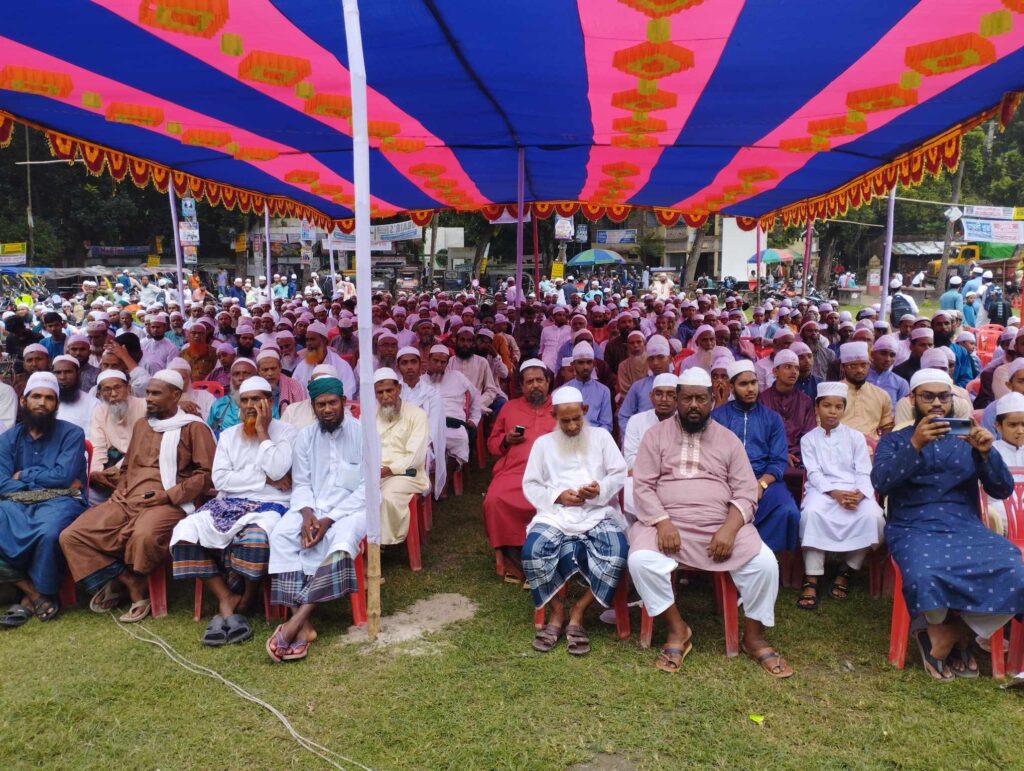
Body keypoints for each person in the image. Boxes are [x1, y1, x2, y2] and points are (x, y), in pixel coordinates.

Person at [628, 368, 793, 678]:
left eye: (700, 399)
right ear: (676, 399)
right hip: (667, 525)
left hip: (719, 525)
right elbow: (643, 486)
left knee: (765, 564)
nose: (693, 405)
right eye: (687, 398)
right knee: (640, 561)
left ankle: (754, 637)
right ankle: (678, 630)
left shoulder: (728, 440)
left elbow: (746, 491)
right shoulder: (656, 435)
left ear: (712, 402)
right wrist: (662, 523)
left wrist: (730, 529)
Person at [872, 367, 1024, 679]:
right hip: (912, 525)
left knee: (1015, 568)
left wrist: (986, 454)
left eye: (944, 396)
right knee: (925, 570)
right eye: (928, 397)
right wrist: (914, 445)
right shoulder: (895, 441)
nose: (938, 403)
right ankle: (950, 637)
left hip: (964, 525)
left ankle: (947, 635)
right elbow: (882, 483)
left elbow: (1002, 489)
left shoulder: (968, 439)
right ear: (913, 399)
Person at [60, 370, 216, 622]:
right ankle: (129, 581)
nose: (149, 399)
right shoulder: (143, 424)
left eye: (156, 393)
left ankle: (134, 586)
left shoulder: (194, 429)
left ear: (176, 395)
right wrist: (120, 488)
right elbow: (128, 464)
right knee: (73, 534)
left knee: (143, 536)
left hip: (169, 501)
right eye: (148, 393)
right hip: (128, 497)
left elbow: (205, 474)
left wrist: (167, 496)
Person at [170, 376, 296, 646]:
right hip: (230, 501)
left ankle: (248, 598)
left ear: (269, 402)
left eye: (256, 400)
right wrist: (264, 479)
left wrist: (263, 432)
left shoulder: (286, 432)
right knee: (184, 532)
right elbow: (221, 480)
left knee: (256, 539)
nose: (250, 405)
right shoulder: (227, 436)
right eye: (245, 400)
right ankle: (225, 595)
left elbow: (278, 470)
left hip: (270, 505)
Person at [521, 386, 628, 654]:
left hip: (597, 512)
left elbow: (618, 473)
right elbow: (531, 484)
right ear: (554, 415)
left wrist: (598, 491)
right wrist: (558, 496)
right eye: (564, 420)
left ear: (585, 412)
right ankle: (557, 612)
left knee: (617, 552)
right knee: (532, 551)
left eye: (576, 419)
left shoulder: (602, 437)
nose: (571, 426)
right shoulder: (542, 444)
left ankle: (579, 612)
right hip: (555, 514)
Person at [0, 373, 88, 628]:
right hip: (15, 501)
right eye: (36, 396)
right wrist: (40, 481)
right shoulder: (8, 438)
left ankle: (37, 594)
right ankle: (35, 593)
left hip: (62, 501)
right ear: (24, 401)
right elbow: (1, 482)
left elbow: (63, 477)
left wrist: (24, 474)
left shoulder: (72, 433)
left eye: (49, 398)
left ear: (56, 405)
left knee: (50, 532)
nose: (42, 403)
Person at [795, 382, 885, 610]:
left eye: (838, 406)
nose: (832, 411)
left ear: (844, 409)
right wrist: (834, 493)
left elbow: (864, 471)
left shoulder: (856, 438)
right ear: (817, 408)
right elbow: (813, 473)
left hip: (855, 489)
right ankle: (812, 577)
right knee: (812, 515)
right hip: (823, 491)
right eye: (827, 405)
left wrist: (860, 495)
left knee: (874, 518)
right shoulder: (808, 439)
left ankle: (847, 569)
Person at [713, 361, 801, 553]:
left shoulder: (772, 418)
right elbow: (710, 457)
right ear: (732, 387)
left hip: (764, 480)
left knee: (788, 512)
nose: (750, 389)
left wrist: (760, 484)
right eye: (743, 384)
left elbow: (778, 460)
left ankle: (762, 554)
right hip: (725, 481)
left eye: (753, 383)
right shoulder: (717, 417)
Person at [482, 359, 556, 580]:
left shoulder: (560, 406)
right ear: (522, 386)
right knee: (494, 499)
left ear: (548, 382)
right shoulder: (509, 407)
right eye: (529, 382)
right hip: (515, 471)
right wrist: (506, 439)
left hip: (552, 473)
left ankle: (545, 554)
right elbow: (492, 444)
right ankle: (511, 559)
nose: (535, 385)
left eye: (539, 380)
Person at [373, 369, 430, 546]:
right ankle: (364, 543)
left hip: (408, 474)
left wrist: (388, 470)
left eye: (389, 390)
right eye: (380, 392)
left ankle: (380, 544)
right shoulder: (369, 416)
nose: (385, 396)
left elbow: (416, 457)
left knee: (386, 496)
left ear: (398, 389)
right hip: (375, 473)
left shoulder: (417, 415)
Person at [621, 373, 679, 518]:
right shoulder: (636, 421)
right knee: (626, 488)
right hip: (643, 478)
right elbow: (629, 460)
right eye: (659, 394)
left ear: (678, 398)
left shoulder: (684, 422)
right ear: (650, 396)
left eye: (670, 394)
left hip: (674, 478)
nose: (664, 399)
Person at [87, 370, 148, 500]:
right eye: (107, 389)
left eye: (118, 387)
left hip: (144, 465)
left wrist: (118, 469)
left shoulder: (145, 406)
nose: (113, 394)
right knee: (90, 496)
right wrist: (96, 472)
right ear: (100, 394)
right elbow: (98, 446)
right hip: (114, 468)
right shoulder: (100, 411)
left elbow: (145, 447)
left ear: (128, 388)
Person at [396, 346, 447, 497]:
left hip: (422, 445)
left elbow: (433, 428)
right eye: (404, 363)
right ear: (398, 367)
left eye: (413, 362)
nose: (410, 367)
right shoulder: (391, 391)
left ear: (420, 364)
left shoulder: (432, 394)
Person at [424, 344, 480, 471]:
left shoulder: (457, 377)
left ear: (447, 363)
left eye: (443, 362)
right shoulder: (421, 381)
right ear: (428, 359)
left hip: (454, 423)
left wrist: (474, 418)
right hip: (429, 425)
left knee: (460, 439)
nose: (439, 365)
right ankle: (432, 477)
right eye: (435, 361)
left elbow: (475, 395)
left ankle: (445, 482)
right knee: (424, 444)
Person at [757, 349, 816, 469]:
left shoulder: (805, 401)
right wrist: (781, 455)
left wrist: (797, 456)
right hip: (769, 457)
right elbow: (759, 436)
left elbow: (810, 435)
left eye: (796, 368)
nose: (794, 372)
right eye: (788, 367)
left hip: (801, 458)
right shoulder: (762, 400)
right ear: (775, 371)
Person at [838, 342, 894, 443]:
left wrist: (882, 448)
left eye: (864, 365)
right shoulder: (832, 394)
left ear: (869, 365)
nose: (859, 370)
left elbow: (887, 426)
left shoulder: (881, 395)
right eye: (853, 366)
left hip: (871, 450)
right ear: (843, 367)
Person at [290, 321, 357, 398]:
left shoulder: (341, 365)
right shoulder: (302, 366)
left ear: (325, 341)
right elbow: (294, 390)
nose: (308, 343)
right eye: (307, 340)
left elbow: (347, 393)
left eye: (312, 339)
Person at [619, 335, 673, 427]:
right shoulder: (638, 386)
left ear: (670, 359)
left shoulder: (680, 385)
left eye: (660, 357)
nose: (655, 363)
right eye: (651, 359)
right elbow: (624, 416)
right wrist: (631, 439)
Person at [561, 341, 612, 434]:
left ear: (594, 363)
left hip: (596, 439)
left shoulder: (604, 391)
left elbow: (606, 425)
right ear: (573, 365)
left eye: (589, 362)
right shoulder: (564, 390)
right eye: (581, 363)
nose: (585, 367)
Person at [208, 358, 259, 436]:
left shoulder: (266, 405)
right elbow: (208, 433)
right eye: (236, 374)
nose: (241, 378)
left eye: (246, 373)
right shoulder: (219, 404)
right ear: (230, 378)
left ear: (256, 377)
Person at [53, 354, 99, 433]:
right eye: (58, 372)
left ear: (78, 373)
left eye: (68, 372)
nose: (62, 377)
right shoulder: (45, 401)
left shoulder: (93, 404)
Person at [866, 335, 909, 410]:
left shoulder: (901, 383)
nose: (888, 359)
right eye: (883, 353)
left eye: (892, 355)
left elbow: (904, 412)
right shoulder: (860, 378)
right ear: (872, 354)